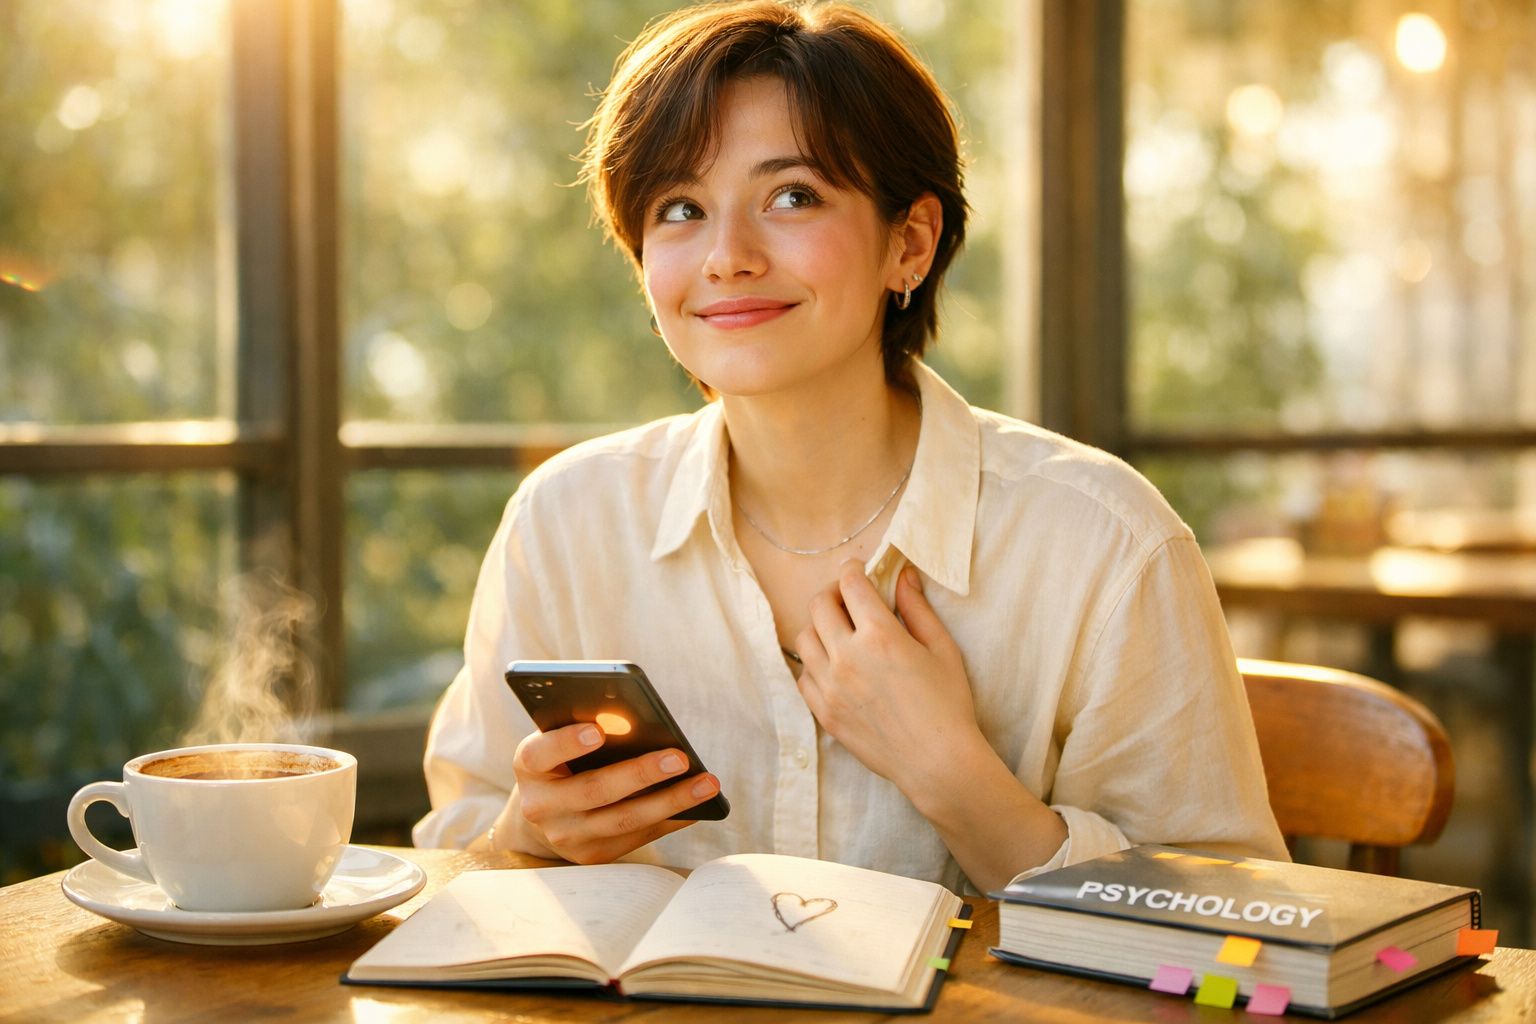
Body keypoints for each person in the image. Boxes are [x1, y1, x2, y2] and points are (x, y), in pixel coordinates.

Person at [413, 0, 1287, 895]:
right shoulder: (566, 522)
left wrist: (954, 774)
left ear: (910, 242)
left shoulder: (1104, 543)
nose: (726, 256)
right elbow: (456, 861)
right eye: (680, 208)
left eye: (792, 196)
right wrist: (527, 836)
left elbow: (1226, 924)